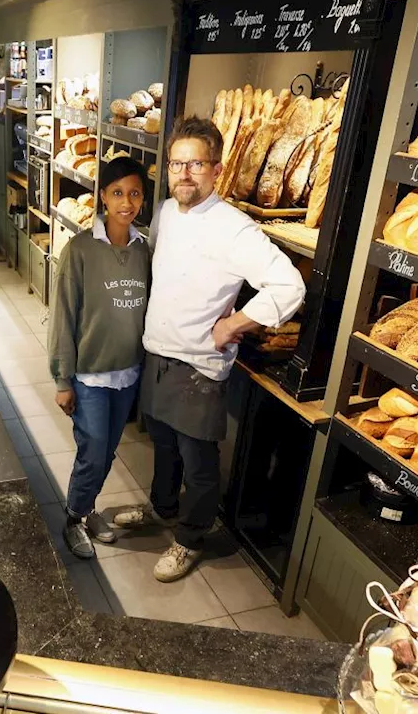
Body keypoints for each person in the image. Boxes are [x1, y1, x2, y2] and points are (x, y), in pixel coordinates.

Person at [114, 116, 306, 583]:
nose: (184, 173)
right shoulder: (163, 213)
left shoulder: (233, 228)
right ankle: (161, 509)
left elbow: (289, 284)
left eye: (195, 164)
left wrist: (237, 322)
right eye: (177, 163)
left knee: (198, 463)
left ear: (216, 170)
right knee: (162, 446)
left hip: (198, 366)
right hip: (158, 352)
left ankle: (190, 539)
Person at [47, 157, 151, 559]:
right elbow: (64, 315)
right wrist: (61, 379)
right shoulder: (81, 250)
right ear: (103, 197)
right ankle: (73, 517)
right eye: (118, 193)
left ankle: (88, 509)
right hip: (89, 375)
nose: (127, 202)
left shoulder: (144, 250)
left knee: (107, 450)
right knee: (92, 451)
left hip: (128, 372)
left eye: (135, 193)